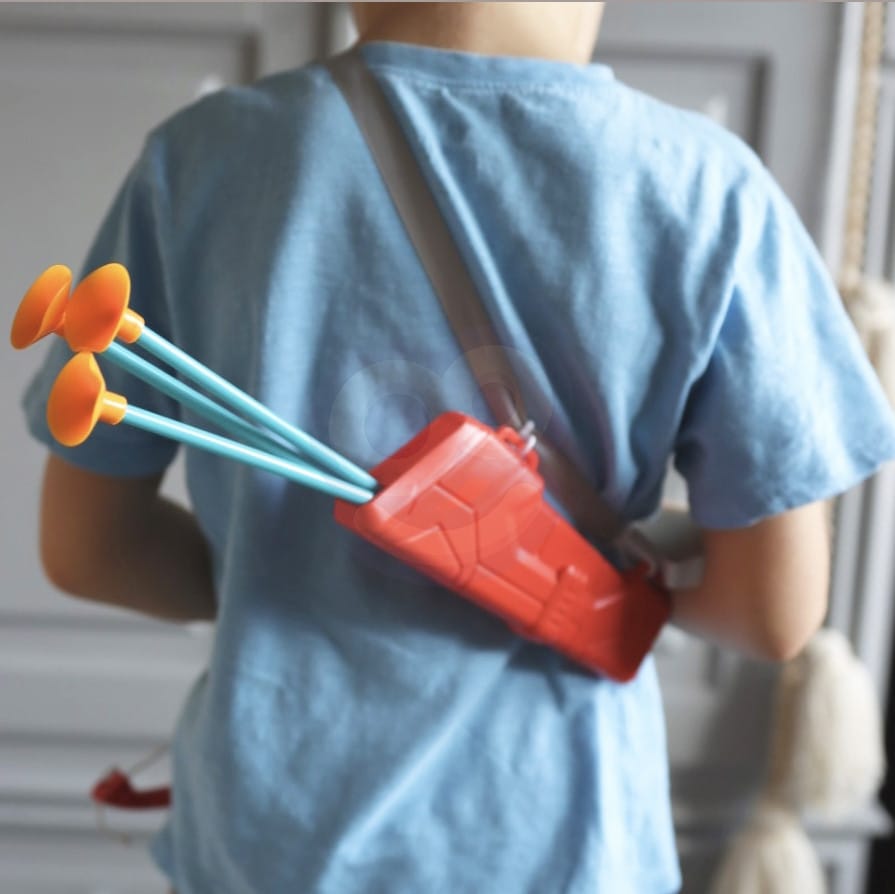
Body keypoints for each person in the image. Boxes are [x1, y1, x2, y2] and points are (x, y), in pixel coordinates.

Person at [21, 3, 895, 892]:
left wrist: (284, 586)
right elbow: (770, 612)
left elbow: (87, 550)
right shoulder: (709, 190)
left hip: (271, 844)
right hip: (563, 848)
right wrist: (577, 588)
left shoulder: (200, 160)